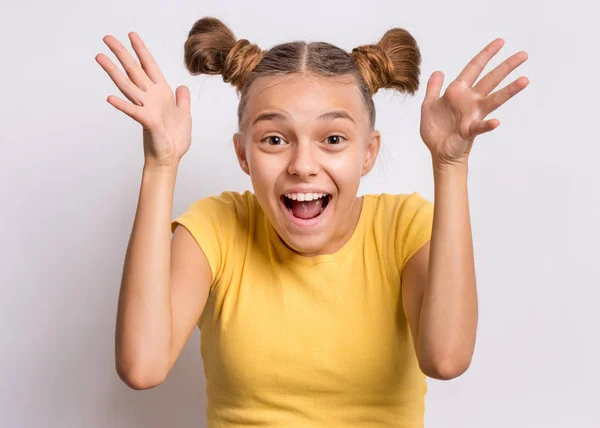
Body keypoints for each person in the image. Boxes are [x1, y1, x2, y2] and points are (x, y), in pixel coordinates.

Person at [96, 16, 529, 427]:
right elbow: (142, 365)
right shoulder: (218, 227)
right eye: (274, 139)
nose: (303, 165)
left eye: (333, 139)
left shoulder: (403, 227)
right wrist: (160, 164)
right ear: (243, 154)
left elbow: (447, 359)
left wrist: (450, 164)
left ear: (368, 153)